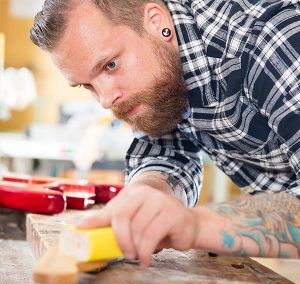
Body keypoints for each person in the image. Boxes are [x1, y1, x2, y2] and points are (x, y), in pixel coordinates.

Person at [30, 0, 300, 267]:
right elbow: (167, 151)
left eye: (110, 65)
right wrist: (148, 193)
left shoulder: (270, 40)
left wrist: (193, 226)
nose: (106, 99)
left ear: (157, 22)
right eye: (87, 85)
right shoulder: (157, 73)